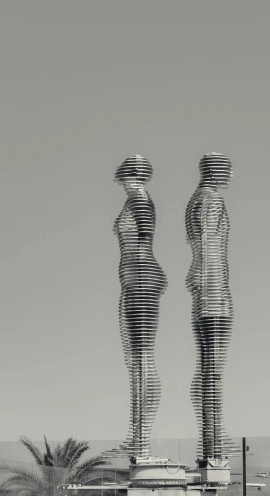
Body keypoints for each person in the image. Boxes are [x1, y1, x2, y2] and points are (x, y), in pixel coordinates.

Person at [111, 155, 166, 459]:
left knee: (142, 360)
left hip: (140, 279)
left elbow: (143, 240)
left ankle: (140, 439)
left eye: (124, 177)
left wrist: (136, 279)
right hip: (135, 279)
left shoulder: (140, 201)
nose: (121, 182)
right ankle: (136, 436)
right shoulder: (136, 201)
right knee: (137, 361)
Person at [185, 152, 239, 460]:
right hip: (215, 294)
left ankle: (212, 438)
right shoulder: (211, 200)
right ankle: (214, 439)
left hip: (206, 291)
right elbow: (206, 242)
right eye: (227, 171)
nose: (230, 177)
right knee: (213, 372)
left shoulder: (196, 199)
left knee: (207, 370)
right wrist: (207, 285)